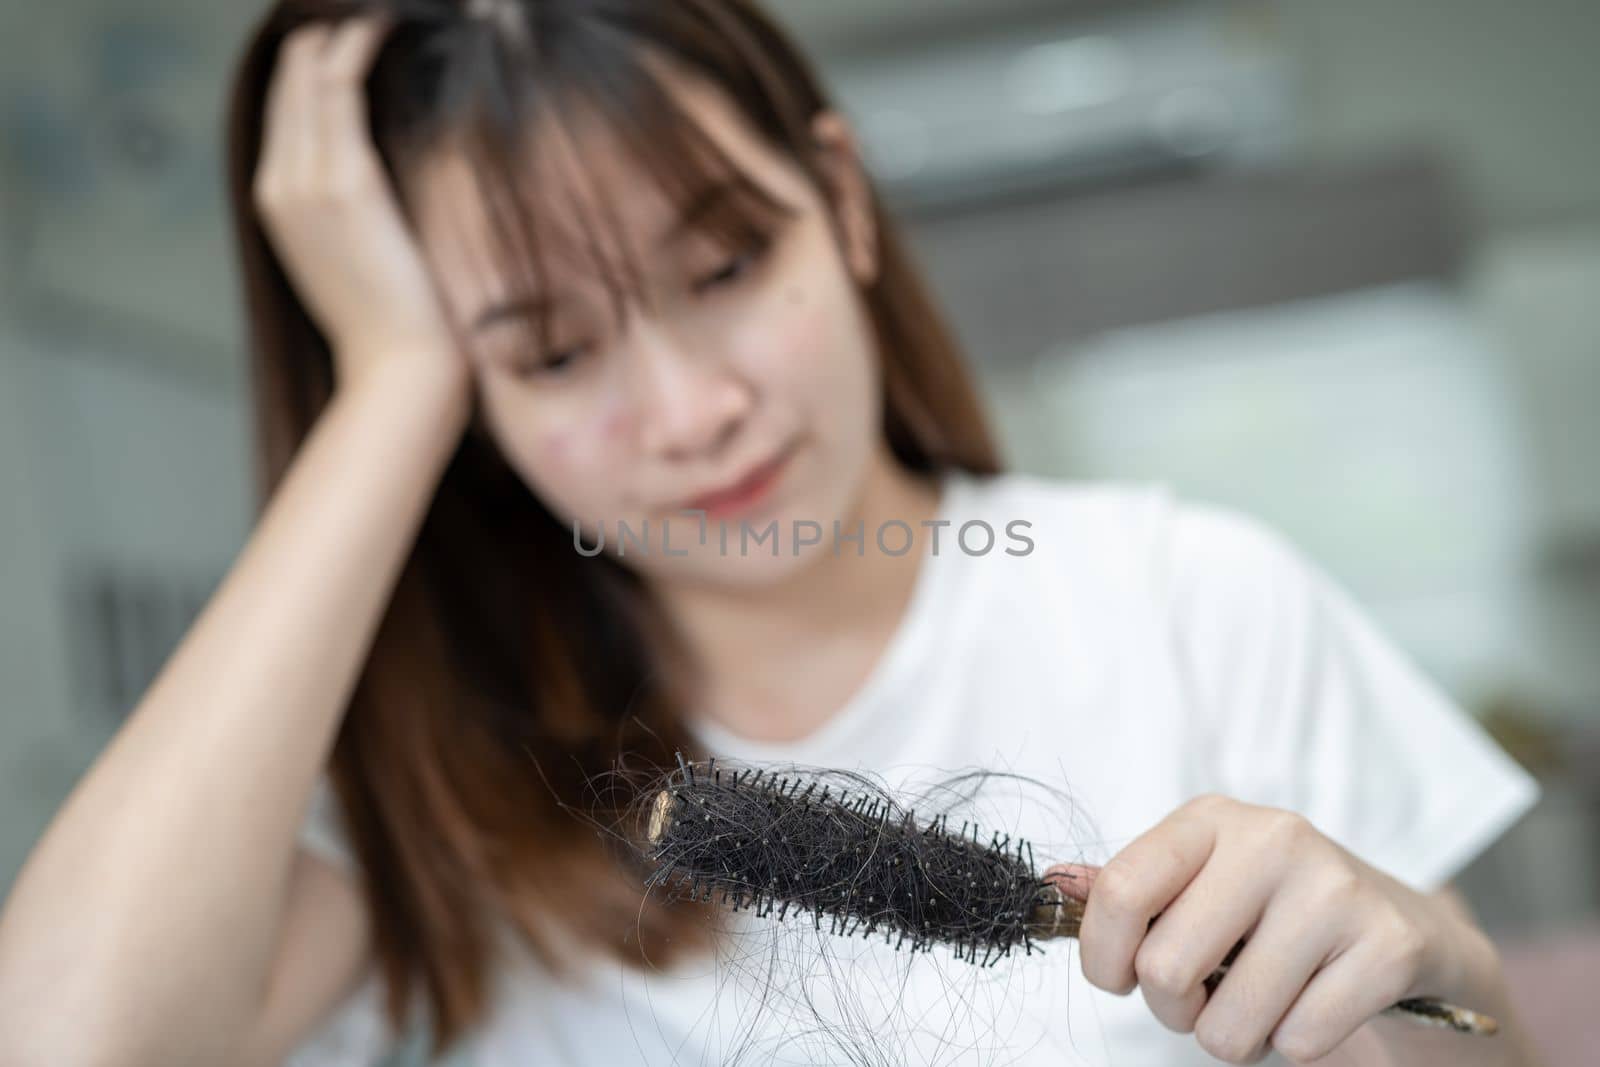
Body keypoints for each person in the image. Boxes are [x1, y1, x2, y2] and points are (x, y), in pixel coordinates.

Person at [0, 2, 1544, 1065]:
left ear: (844, 205)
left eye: (727, 263)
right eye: (547, 352)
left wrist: (1441, 971)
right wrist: (392, 378)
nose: (689, 410)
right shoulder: (431, 774)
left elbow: (1475, 1049)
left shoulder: (1192, 599)